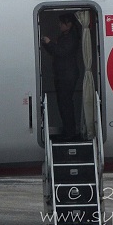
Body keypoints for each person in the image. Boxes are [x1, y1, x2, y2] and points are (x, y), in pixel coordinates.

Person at [41, 13, 80, 141]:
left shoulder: (71, 37)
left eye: (61, 23)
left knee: (66, 103)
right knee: (63, 103)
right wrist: (47, 44)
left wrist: (49, 43)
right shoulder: (65, 36)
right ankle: (68, 129)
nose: (59, 25)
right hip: (63, 74)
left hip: (67, 75)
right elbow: (56, 51)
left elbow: (62, 52)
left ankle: (70, 132)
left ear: (68, 24)